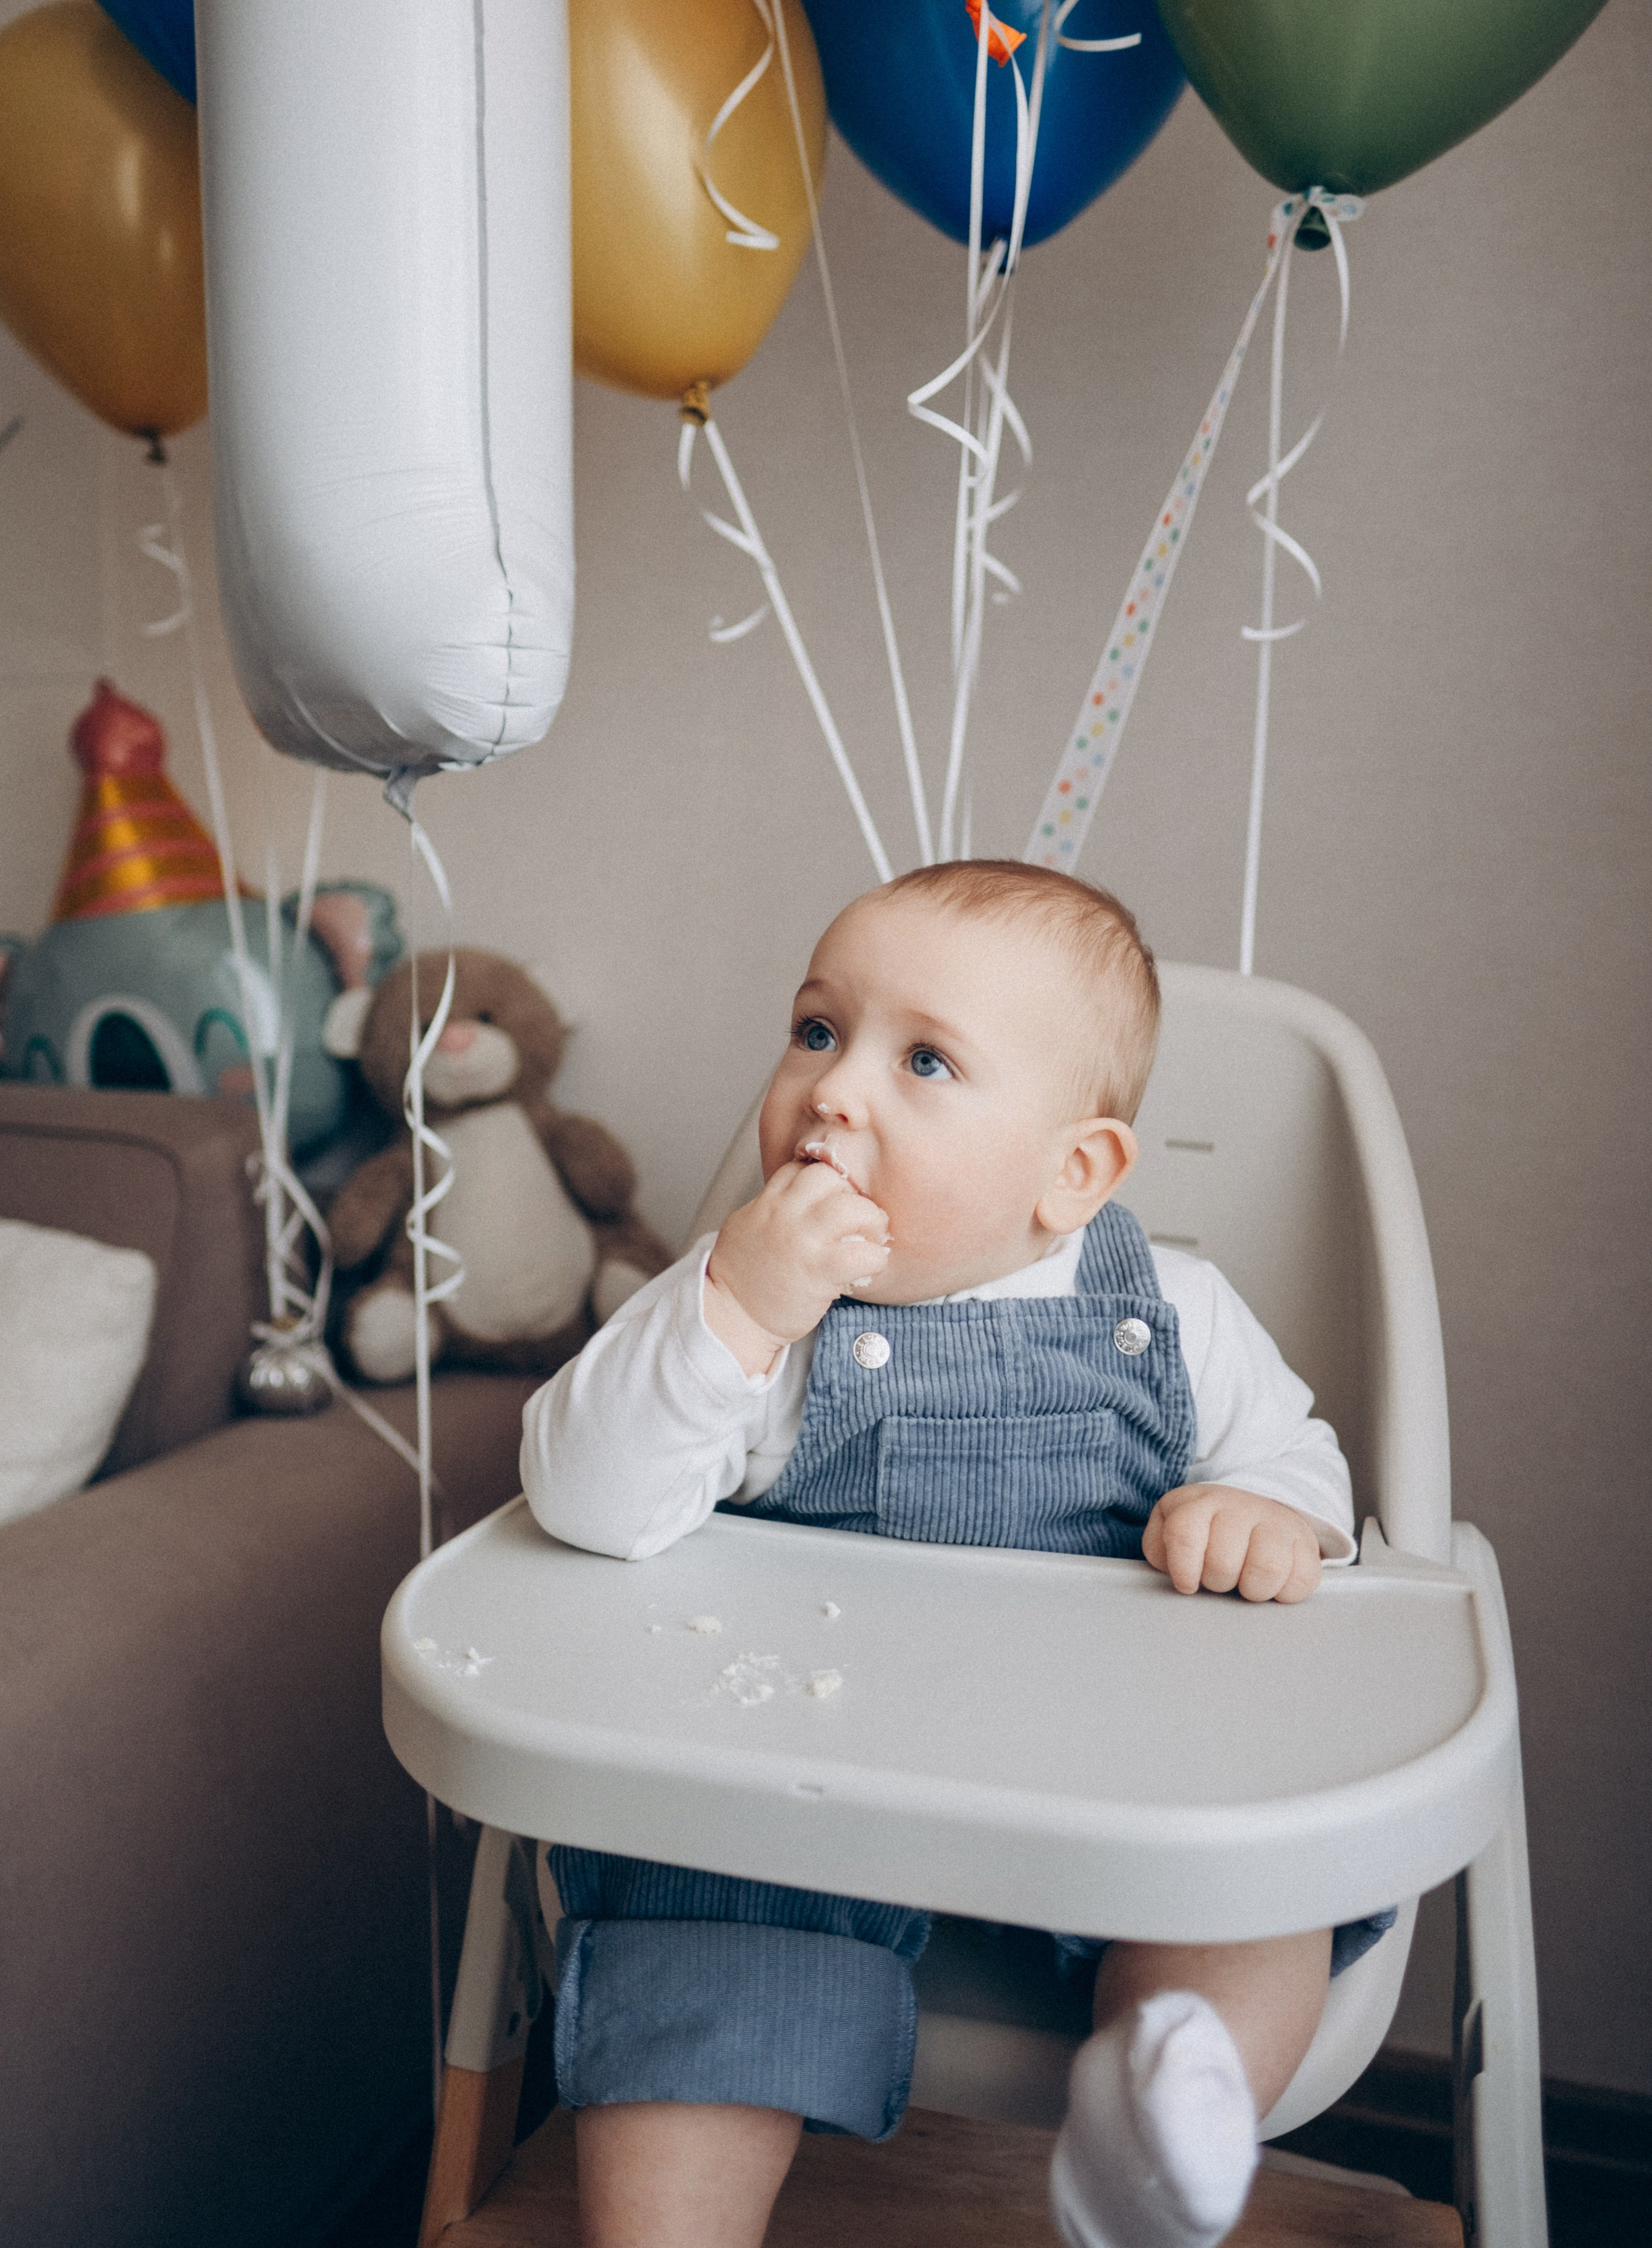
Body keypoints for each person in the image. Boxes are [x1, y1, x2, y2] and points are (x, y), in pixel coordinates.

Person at [520, 862, 1389, 2248]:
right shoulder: (744, 1314)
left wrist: (1263, 1513)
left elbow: (1303, 1468)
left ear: (1074, 1172)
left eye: (922, 1059)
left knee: (1243, 1885)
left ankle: (1164, 2097)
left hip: (1102, 1773)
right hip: (799, 1791)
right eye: (816, 1030)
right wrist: (732, 1308)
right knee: (702, 1929)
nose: (833, 1091)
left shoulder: (1172, 1310)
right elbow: (584, 1497)